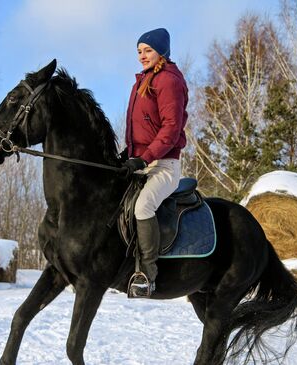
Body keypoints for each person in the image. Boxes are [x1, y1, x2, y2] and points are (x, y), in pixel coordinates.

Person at [121, 28, 189, 297]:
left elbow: (171, 128)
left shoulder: (169, 81)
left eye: (147, 50)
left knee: (143, 207)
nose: (142, 56)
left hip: (164, 165)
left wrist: (144, 158)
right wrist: (128, 156)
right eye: (139, 51)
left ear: (161, 51)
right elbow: (136, 129)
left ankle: (146, 275)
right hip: (141, 162)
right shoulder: (141, 82)